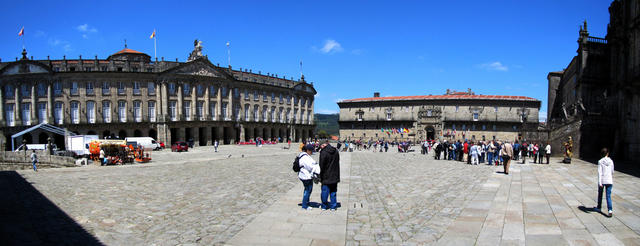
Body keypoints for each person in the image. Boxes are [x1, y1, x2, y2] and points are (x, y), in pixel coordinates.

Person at [319, 140, 340, 211]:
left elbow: (321, 165)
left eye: (320, 146)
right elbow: (337, 161)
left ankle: (324, 206)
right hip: (335, 174)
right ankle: (333, 206)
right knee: (333, 191)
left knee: (325, 191)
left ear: (323, 145)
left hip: (326, 175)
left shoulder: (323, 152)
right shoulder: (335, 151)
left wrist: (320, 175)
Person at [298, 144, 319, 210]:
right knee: (308, 190)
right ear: (307, 150)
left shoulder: (304, 155)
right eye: (311, 151)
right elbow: (310, 166)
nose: (312, 152)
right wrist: (315, 166)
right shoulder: (305, 157)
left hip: (305, 175)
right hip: (306, 176)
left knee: (307, 190)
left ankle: (306, 202)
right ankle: (305, 205)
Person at [596, 148, 614, 217]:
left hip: (603, 180)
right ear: (607, 153)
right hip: (609, 180)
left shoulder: (600, 161)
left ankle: (599, 207)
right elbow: (612, 171)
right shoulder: (611, 161)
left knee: (600, 195)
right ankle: (610, 210)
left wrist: (600, 182)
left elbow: (599, 172)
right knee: (608, 196)